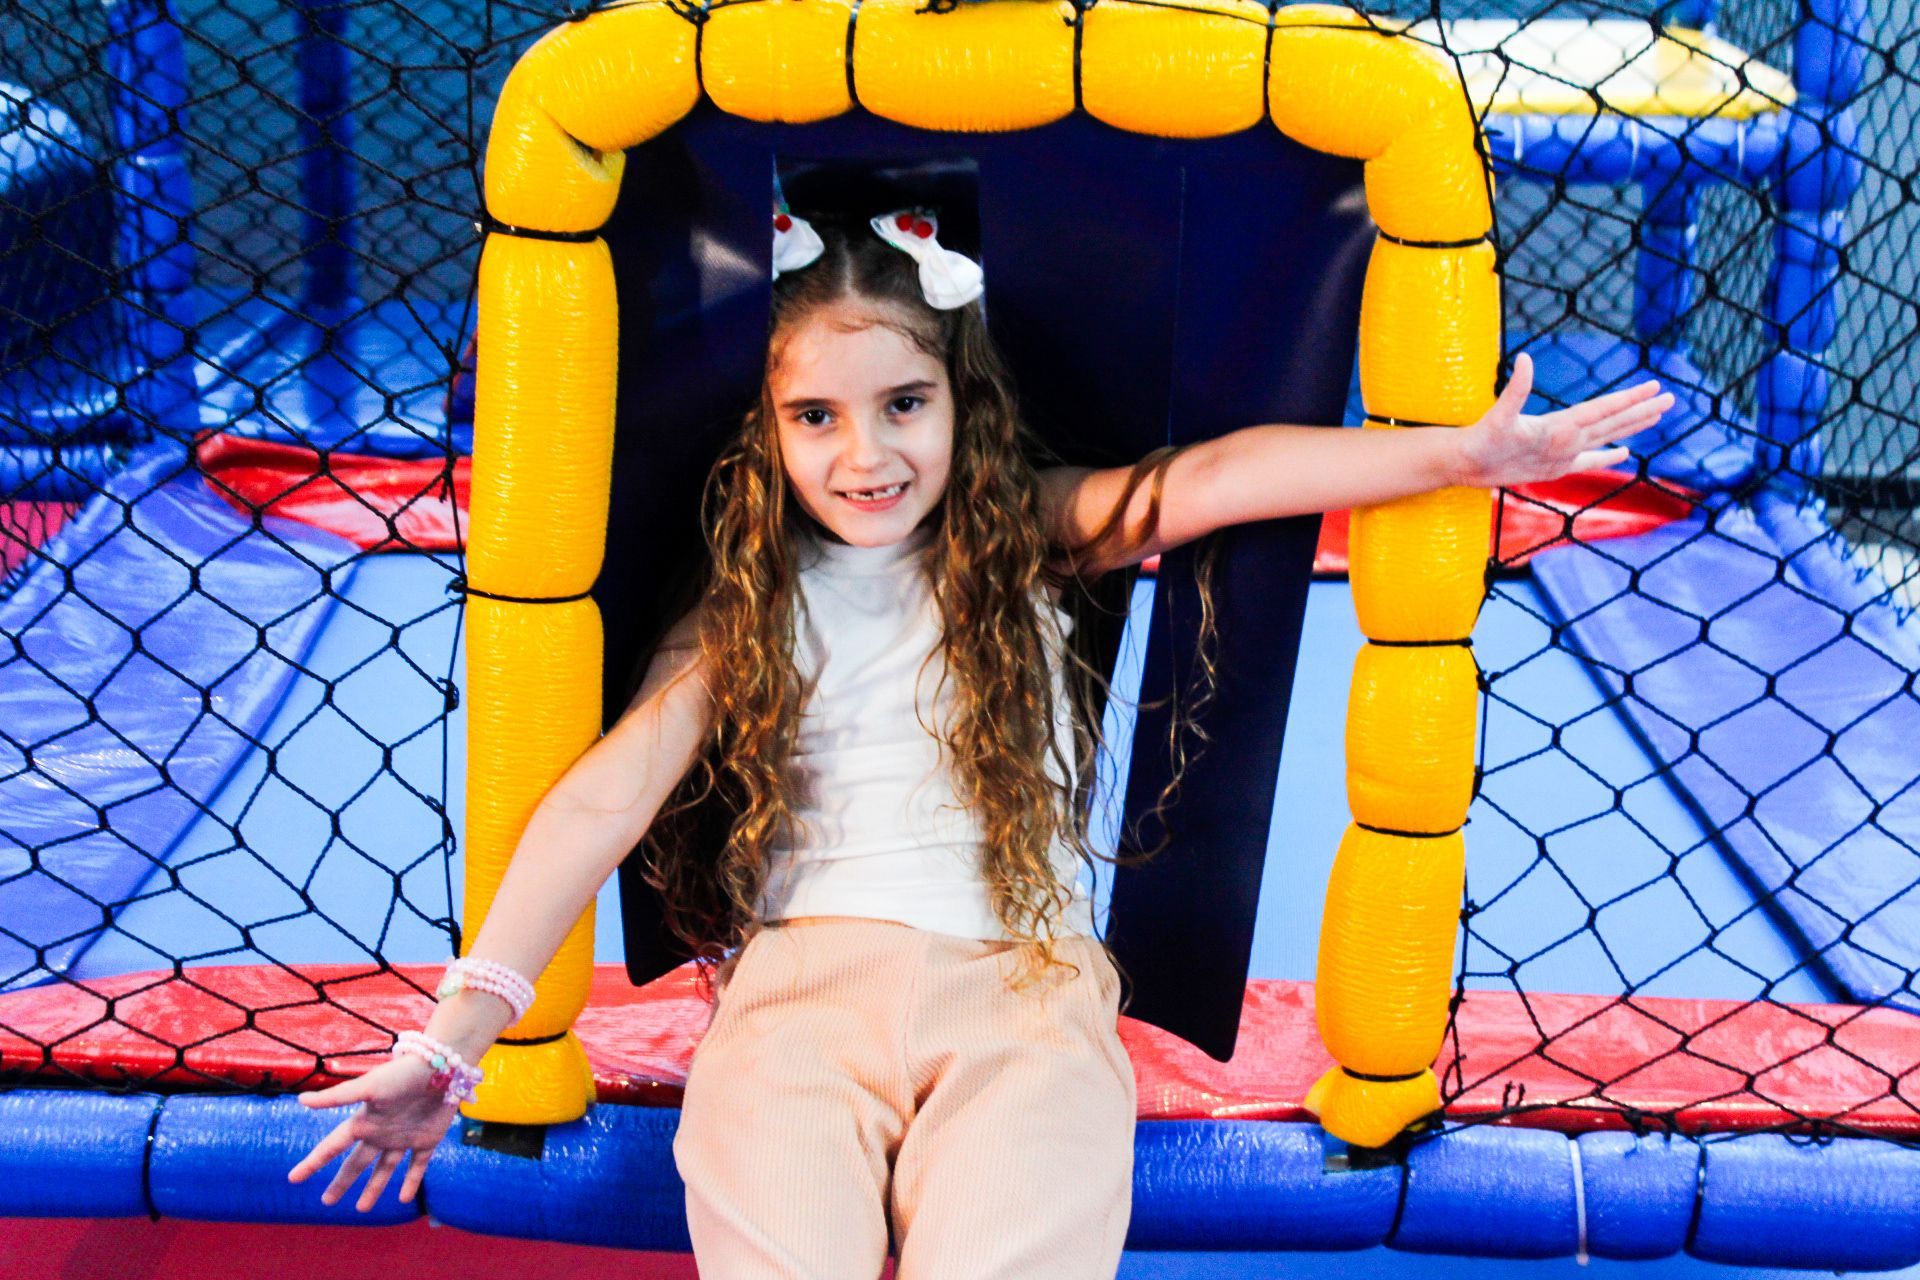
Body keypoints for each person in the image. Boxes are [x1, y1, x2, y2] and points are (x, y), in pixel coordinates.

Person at [286, 198, 1673, 1277]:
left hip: (1024, 995)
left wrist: (1455, 457)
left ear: (963, 406)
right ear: (769, 436)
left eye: (904, 405)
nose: (864, 453)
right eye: (815, 417)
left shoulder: (1024, 542)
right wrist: (455, 1040)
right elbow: (601, 802)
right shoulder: (742, 611)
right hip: (794, 1008)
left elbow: (1226, 476)